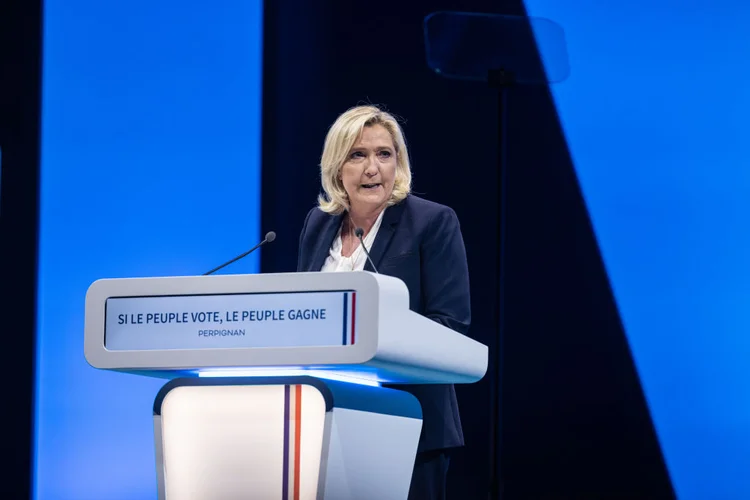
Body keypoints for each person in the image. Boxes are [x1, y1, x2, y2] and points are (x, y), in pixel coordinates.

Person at [296, 104, 471, 499]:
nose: (372, 168)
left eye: (384, 154)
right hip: (328, 418)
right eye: (358, 155)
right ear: (337, 167)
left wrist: (377, 346)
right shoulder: (316, 224)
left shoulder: (432, 222)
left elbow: (452, 323)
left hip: (410, 423)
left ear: (398, 164)